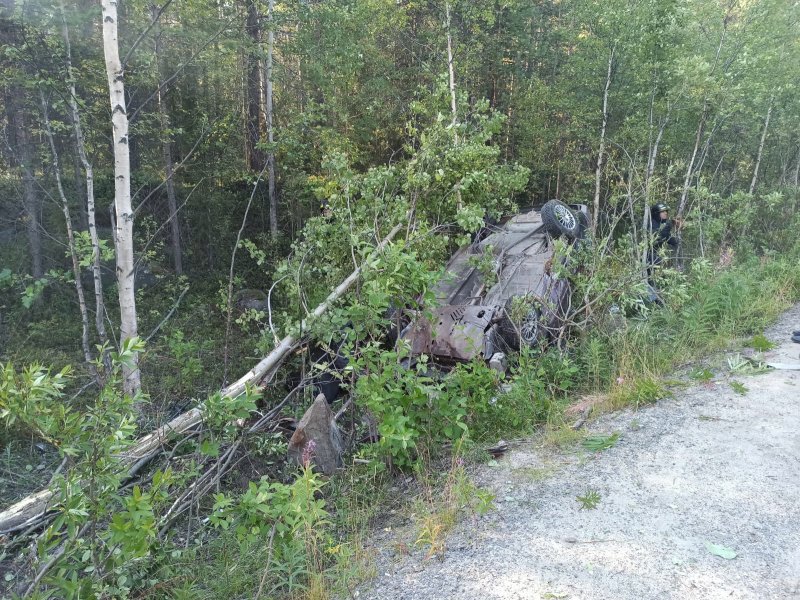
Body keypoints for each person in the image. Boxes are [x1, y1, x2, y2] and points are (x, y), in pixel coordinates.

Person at [647, 202, 679, 283]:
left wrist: (676, 242)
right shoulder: (650, 224)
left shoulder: (661, 224)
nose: (666, 213)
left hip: (655, 255)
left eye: (666, 211)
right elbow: (658, 237)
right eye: (663, 212)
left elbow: (668, 238)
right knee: (659, 264)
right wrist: (669, 225)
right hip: (647, 256)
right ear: (656, 214)